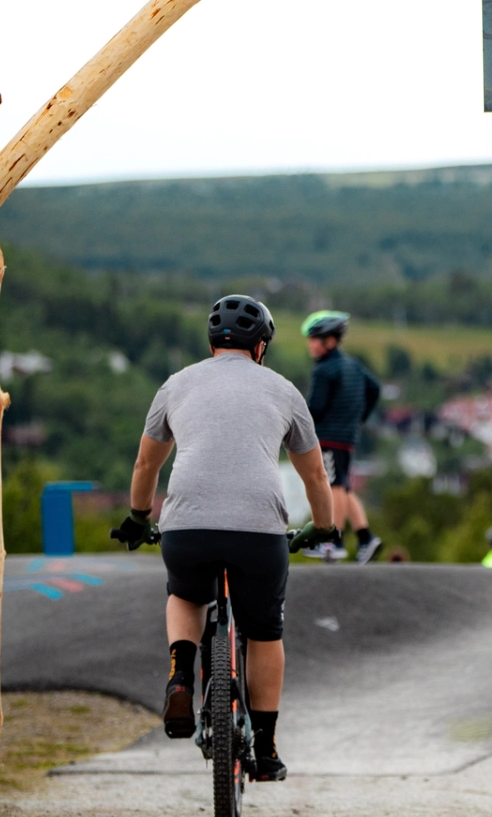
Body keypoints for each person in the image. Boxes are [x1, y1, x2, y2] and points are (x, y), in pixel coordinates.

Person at [113, 294, 338, 782]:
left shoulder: (175, 385)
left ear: (212, 343)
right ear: (261, 346)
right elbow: (316, 476)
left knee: (186, 593)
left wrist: (136, 516)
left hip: (187, 526)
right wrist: (322, 526)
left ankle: (179, 675)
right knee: (264, 632)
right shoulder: (283, 390)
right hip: (259, 532)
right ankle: (267, 748)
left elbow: (145, 464)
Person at [301, 311, 384, 564]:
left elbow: (314, 409)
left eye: (315, 338)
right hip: (347, 436)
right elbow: (375, 388)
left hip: (329, 436)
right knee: (344, 487)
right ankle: (365, 537)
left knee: (333, 486)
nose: (310, 344)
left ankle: (332, 540)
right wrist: (359, 418)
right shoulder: (352, 365)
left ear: (329, 340)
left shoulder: (324, 370)